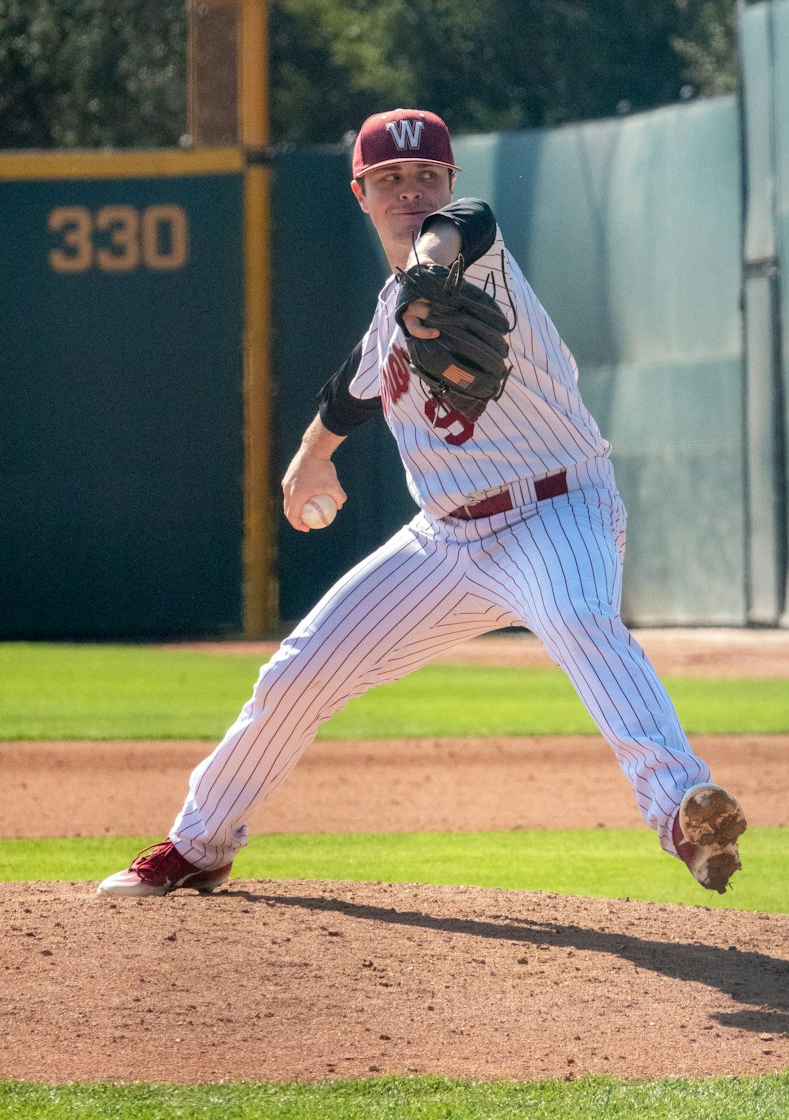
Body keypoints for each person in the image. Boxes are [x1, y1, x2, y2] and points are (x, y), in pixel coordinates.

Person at [98, 108, 747, 899]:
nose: (410, 191)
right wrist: (311, 458)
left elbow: (465, 224)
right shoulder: (387, 313)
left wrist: (432, 270)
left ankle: (681, 811)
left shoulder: (478, 256)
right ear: (360, 194)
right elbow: (355, 387)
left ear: (446, 183)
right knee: (297, 674)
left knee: (580, 620)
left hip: (557, 510)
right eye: (390, 179)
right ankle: (199, 844)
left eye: (426, 176)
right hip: (445, 543)